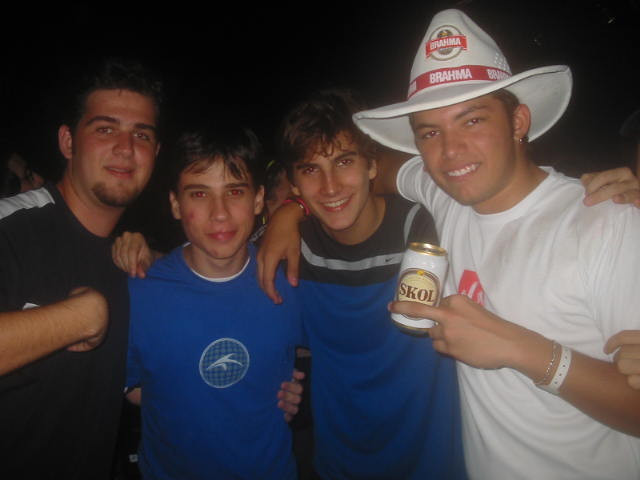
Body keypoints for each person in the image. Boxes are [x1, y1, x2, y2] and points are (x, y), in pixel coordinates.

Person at [350, 8, 640, 479]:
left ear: (518, 121)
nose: (450, 151)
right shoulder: (448, 196)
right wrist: (291, 209)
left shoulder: (605, 221)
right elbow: (376, 170)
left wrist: (521, 349)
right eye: (430, 132)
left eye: (471, 121)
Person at [0, 58, 162, 479]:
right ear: (68, 142)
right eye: (105, 129)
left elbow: (131, 388)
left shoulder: (129, 265)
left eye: (141, 134)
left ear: (155, 154)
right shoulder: (11, 227)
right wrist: (77, 318)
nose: (125, 148)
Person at [125, 125, 304, 479]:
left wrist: (300, 390)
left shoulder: (290, 280)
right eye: (199, 194)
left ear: (258, 199)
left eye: (235, 191)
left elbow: (330, 354)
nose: (219, 213)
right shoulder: (139, 294)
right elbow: (130, 387)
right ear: (176, 204)